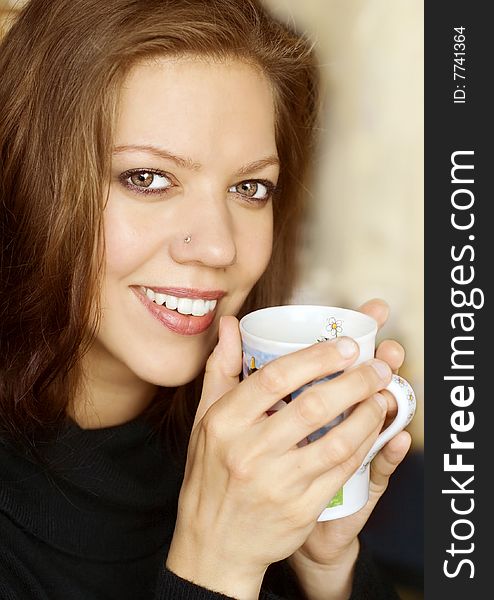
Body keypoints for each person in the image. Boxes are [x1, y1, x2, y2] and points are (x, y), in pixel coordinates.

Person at [0, 0, 412, 598]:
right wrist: (214, 565)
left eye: (250, 188)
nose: (219, 247)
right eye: (147, 178)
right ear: (25, 174)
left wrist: (325, 568)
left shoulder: (251, 454)